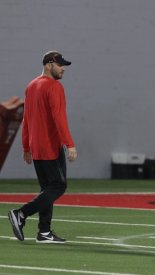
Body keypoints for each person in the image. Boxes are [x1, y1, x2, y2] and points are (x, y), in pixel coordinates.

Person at [8, 51, 77, 244]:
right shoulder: (54, 87)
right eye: (60, 65)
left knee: (46, 189)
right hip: (50, 146)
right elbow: (59, 118)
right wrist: (69, 143)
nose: (63, 68)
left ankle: (44, 232)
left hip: (36, 145)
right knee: (58, 186)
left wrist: (26, 147)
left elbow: (26, 118)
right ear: (49, 65)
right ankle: (21, 214)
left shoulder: (31, 85)